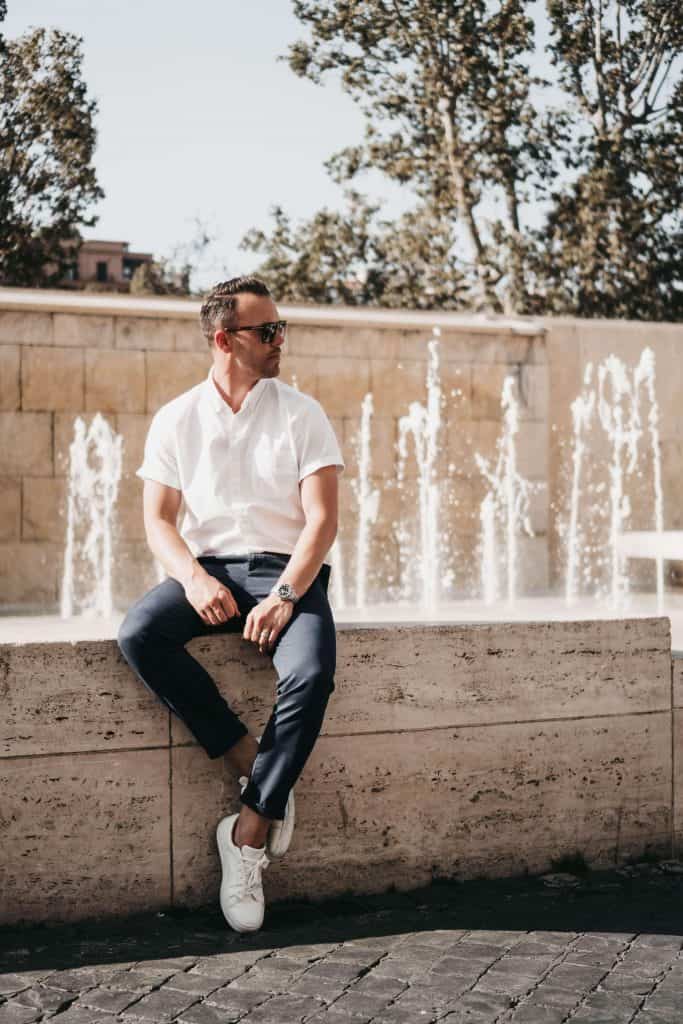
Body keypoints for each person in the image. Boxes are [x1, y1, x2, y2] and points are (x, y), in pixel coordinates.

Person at [117, 276, 344, 933]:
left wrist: (283, 594)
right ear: (224, 339)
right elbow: (158, 521)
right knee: (139, 633)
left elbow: (321, 522)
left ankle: (246, 836)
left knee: (311, 672)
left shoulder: (302, 412)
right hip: (212, 570)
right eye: (266, 331)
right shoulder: (177, 418)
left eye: (280, 329)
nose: (280, 341)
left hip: (288, 573)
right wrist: (192, 579)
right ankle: (254, 764)